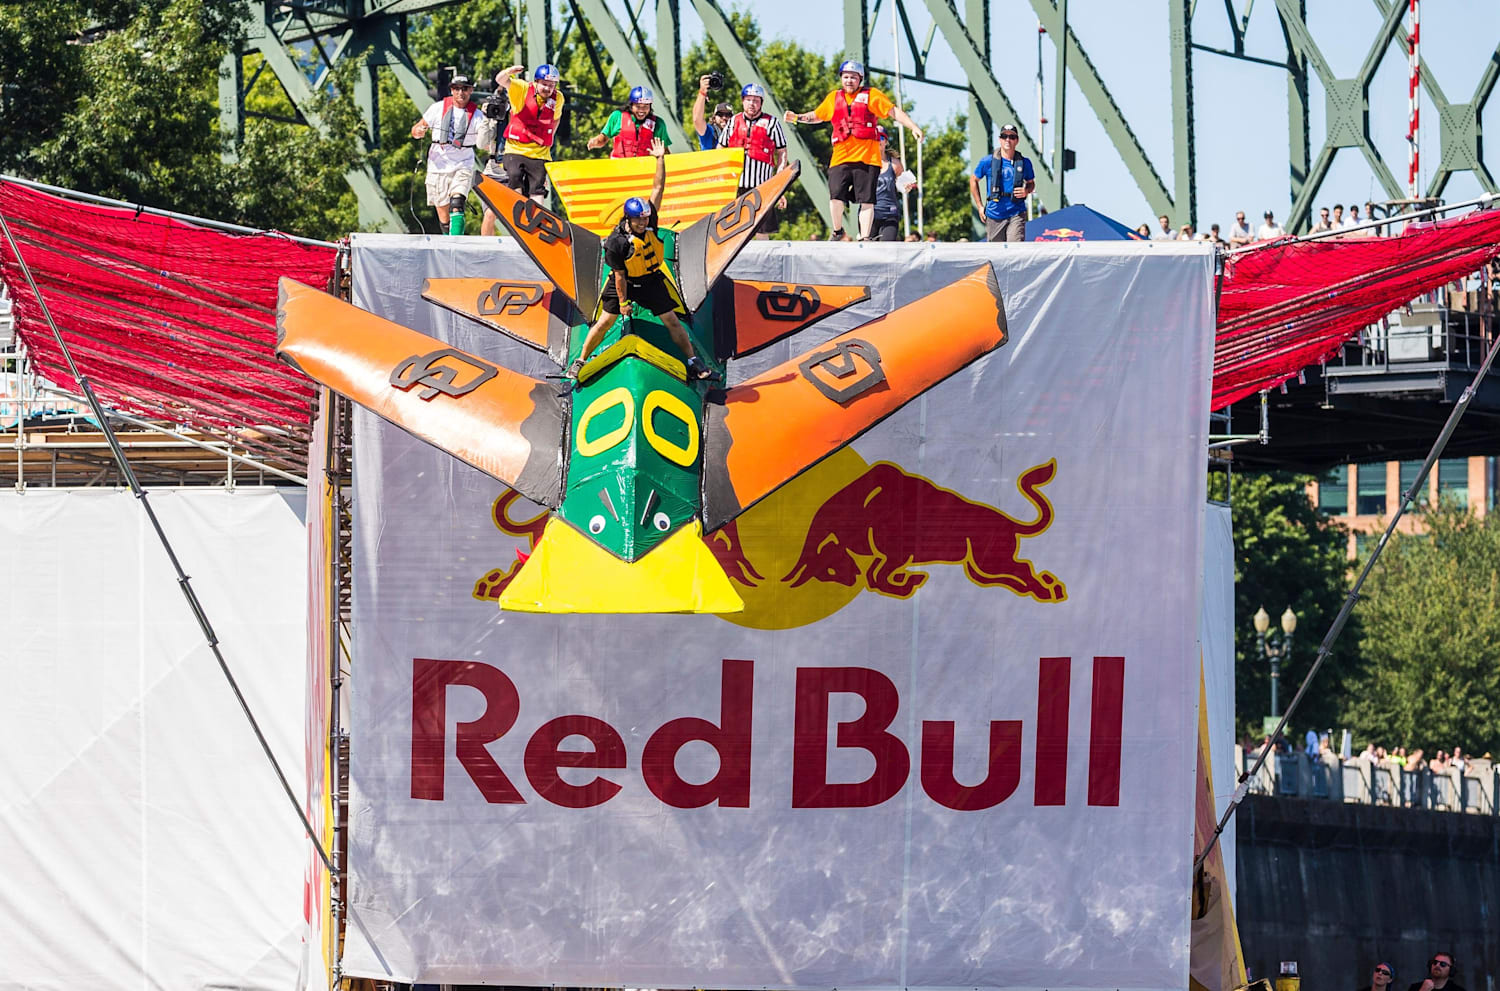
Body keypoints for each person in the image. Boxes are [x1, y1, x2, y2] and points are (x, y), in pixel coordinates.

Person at [569, 139, 711, 383]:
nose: (645, 223)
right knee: (605, 322)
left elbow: (658, 188)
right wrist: (623, 304)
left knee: (672, 321)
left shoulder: (649, 221)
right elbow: (620, 276)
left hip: (649, 280)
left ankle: (692, 360)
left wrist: (660, 159)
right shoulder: (617, 242)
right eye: (640, 220)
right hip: (624, 282)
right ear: (629, 219)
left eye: (646, 219)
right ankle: (580, 360)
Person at [786, 60, 924, 240]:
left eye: (853, 77)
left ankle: (865, 237)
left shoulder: (872, 95)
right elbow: (817, 116)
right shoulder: (833, 98)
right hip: (841, 157)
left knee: (867, 200)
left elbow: (893, 112)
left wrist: (913, 126)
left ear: (860, 79)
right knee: (835, 195)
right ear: (841, 78)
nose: (849, 80)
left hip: (867, 158)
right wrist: (797, 118)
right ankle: (837, 231)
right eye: (846, 77)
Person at [410, 74, 482, 235]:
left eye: (464, 88)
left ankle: (457, 243)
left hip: (463, 163)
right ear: (451, 90)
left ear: (471, 90)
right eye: (456, 88)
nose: (460, 92)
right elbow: (416, 129)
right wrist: (419, 132)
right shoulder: (437, 108)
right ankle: (448, 242)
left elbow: (486, 141)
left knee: (457, 203)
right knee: (443, 213)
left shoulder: (477, 115)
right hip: (438, 164)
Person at [718, 82, 789, 237]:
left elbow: (782, 151)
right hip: (736, 186)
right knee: (735, 231)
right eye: (749, 100)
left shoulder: (772, 123)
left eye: (756, 100)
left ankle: (764, 261)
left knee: (762, 231)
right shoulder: (733, 121)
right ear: (743, 101)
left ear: (761, 103)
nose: (752, 104)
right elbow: (720, 149)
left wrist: (779, 183)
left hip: (762, 187)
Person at [497, 64, 565, 204]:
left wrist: (548, 138)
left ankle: (536, 217)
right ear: (536, 82)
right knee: (514, 176)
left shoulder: (558, 98)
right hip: (515, 149)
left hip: (539, 153)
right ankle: (517, 206)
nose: (547, 88)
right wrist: (509, 72)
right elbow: (500, 80)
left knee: (537, 188)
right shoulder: (522, 89)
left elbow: (555, 120)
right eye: (544, 84)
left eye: (551, 85)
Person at [968, 123, 1034, 242]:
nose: (1008, 140)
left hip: (1016, 212)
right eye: (1004, 136)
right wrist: (979, 206)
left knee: (1015, 250)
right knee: (996, 254)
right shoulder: (988, 161)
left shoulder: (1025, 162)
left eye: (1012, 137)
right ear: (1000, 140)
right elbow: (973, 180)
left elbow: (1031, 183)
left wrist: (1026, 190)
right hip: (995, 214)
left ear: (1017, 141)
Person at [589, 85, 672, 158]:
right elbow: (603, 139)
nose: (641, 110)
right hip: (619, 167)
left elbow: (665, 151)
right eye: (638, 106)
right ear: (631, 105)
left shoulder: (658, 124)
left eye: (646, 106)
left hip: (645, 169)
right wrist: (594, 141)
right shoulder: (617, 117)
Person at [475, 83, 510, 236]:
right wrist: (486, 118)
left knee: (518, 218)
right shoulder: (492, 119)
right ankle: (486, 251)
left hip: (513, 172)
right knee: (489, 214)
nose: (500, 107)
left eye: (503, 103)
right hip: (493, 170)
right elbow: (481, 144)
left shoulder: (517, 118)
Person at [873, 137, 908, 241]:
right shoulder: (864, 161)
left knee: (886, 248)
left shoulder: (895, 164)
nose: (878, 140)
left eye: (881, 137)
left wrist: (907, 186)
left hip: (889, 212)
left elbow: (903, 184)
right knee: (868, 251)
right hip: (870, 213)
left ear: (886, 142)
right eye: (875, 137)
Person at [691, 74, 733, 150]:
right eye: (720, 114)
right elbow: (697, 119)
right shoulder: (709, 133)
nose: (724, 117)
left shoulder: (736, 134)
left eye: (728, 115)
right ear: (714, 117)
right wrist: (702, 92)